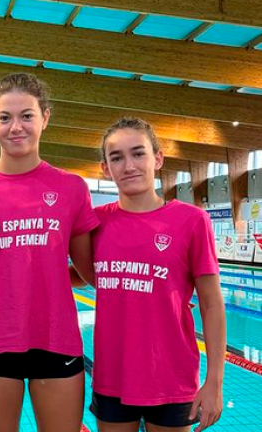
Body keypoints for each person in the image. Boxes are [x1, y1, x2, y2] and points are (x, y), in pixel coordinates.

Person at [0, 73, 98, 432]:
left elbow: (91, 271)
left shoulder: (71, 188)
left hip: (56, 337)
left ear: (45, 117)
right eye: (5, 117)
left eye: (27, 115)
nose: (16, 127)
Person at [90, 117, 226, 432]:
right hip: (112, 376)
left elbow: (212, 303)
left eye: (138, 153)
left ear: (158, 159)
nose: (129, 165)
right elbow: (73, 273)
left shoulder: (192, 221)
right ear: (105, 168)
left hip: (171, 377)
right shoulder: (95, 223)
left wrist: (215, 382)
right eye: (117, 157)